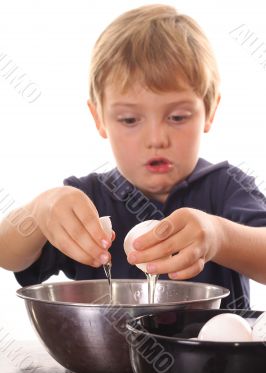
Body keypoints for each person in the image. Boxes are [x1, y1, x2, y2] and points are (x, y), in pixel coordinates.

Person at [1, 4, 266, 309]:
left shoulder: (227, 187)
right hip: (106, 354)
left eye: (178, 117)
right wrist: (39, 212)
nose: (156, 139)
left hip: (214, 358)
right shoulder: (86, 200)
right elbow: (6, 255)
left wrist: (220, 237)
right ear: (99, 117)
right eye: (129, 120)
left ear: (209, 112)